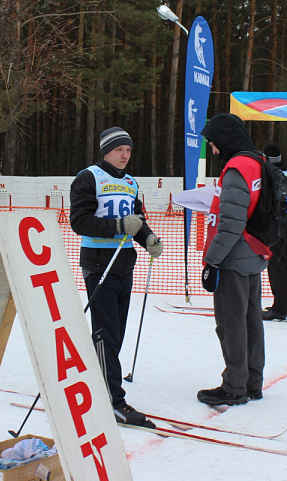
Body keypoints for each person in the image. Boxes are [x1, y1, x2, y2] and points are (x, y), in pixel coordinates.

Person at [69, 126, 163, 428]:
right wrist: (119, 225)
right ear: (106, 151)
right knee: (105, 334)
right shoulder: (89, 177)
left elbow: (137, 221)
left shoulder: (131, 182)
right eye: (119, 149)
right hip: (99, 264)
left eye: (129, 150)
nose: (125, 155)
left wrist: (147, 237)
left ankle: (101, 382)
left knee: (116, 333)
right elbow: (80, 222)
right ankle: (113, 401)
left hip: (124, 265)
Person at [198, 114, 269, 407]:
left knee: (231, 323)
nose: (214, 150)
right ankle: (252, 382)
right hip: (253, 252)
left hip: (233, 256)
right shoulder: (258, 161)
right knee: (251, 320)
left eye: (214, 144)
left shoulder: (237, 167)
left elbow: (231, 222)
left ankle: (234, 385)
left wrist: (212, 261)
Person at [261, 143, 287, 322]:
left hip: (277, 223)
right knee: (280, 264)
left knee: (276, 266)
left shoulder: (271, 174)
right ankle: (283, 303)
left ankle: (281, 307)